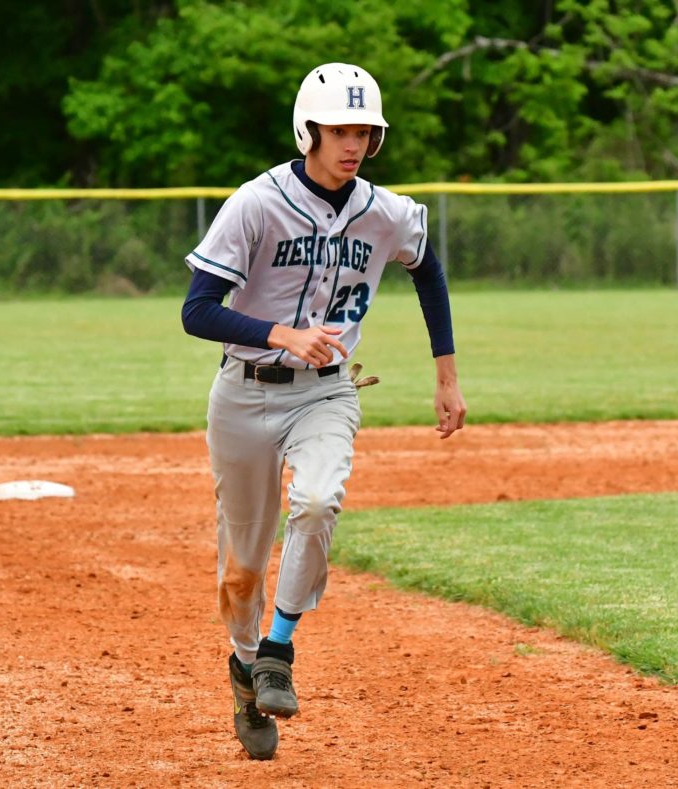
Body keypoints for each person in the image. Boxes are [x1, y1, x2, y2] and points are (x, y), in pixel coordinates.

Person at [181, 63, 466, 760]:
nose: (354, 144)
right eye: (341, 131)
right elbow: (197, 310)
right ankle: (247, 669)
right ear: (308, 132)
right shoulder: (256, 203)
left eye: (365, 133)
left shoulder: (384, 211)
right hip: (244, 392)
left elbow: (426, 268)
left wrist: (446, 376)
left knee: (315, 501)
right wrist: (281, 334)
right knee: (240, 569)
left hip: (327, 390)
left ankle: (278, 649)